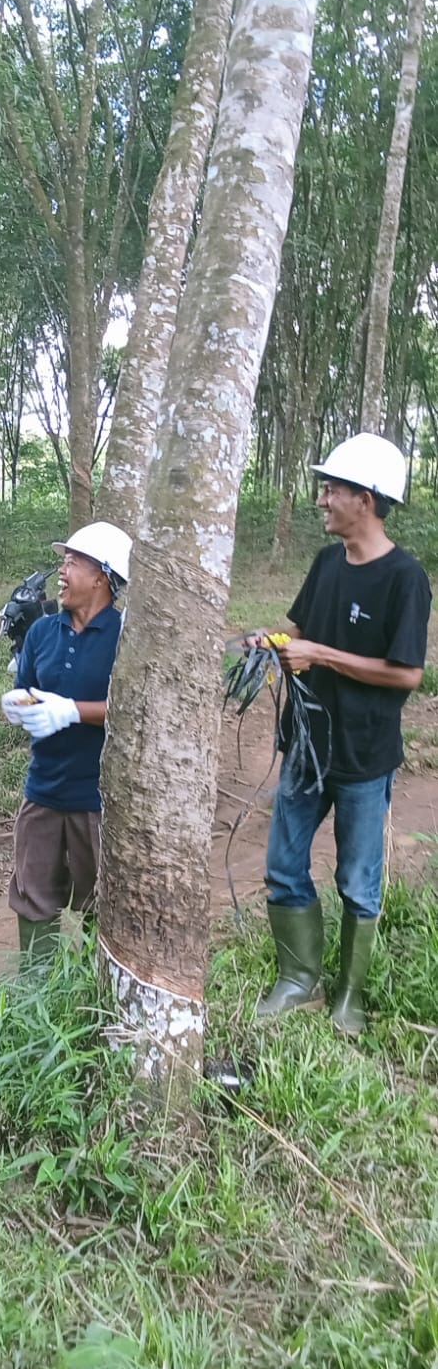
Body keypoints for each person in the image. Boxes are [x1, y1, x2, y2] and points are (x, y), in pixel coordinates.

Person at [249, 433, 431, 1035]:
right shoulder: (326, 564)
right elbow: (300, 631)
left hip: (363, 753)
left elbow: (407, 673)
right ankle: (298, 978)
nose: (322, 499)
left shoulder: (406, 579)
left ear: (369, 499)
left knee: (358, 878)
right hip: (306, 744)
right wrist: (274, 645)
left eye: (333, 489)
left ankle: (349, 995)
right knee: (283, 865)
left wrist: (320, 655)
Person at [0, 520, 131, 956]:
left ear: (102, 576)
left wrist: (72, 711)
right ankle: (35, 990)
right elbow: (29, 689)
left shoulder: (125, 639)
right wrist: (19, 705)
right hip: (44, 789)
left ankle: (96, 989)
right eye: (64, 560)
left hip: (97, 797)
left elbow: (137, 714)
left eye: (74, 562)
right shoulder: (42, 632)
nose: (63, 570)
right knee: (33, 893)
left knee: (103, 900)